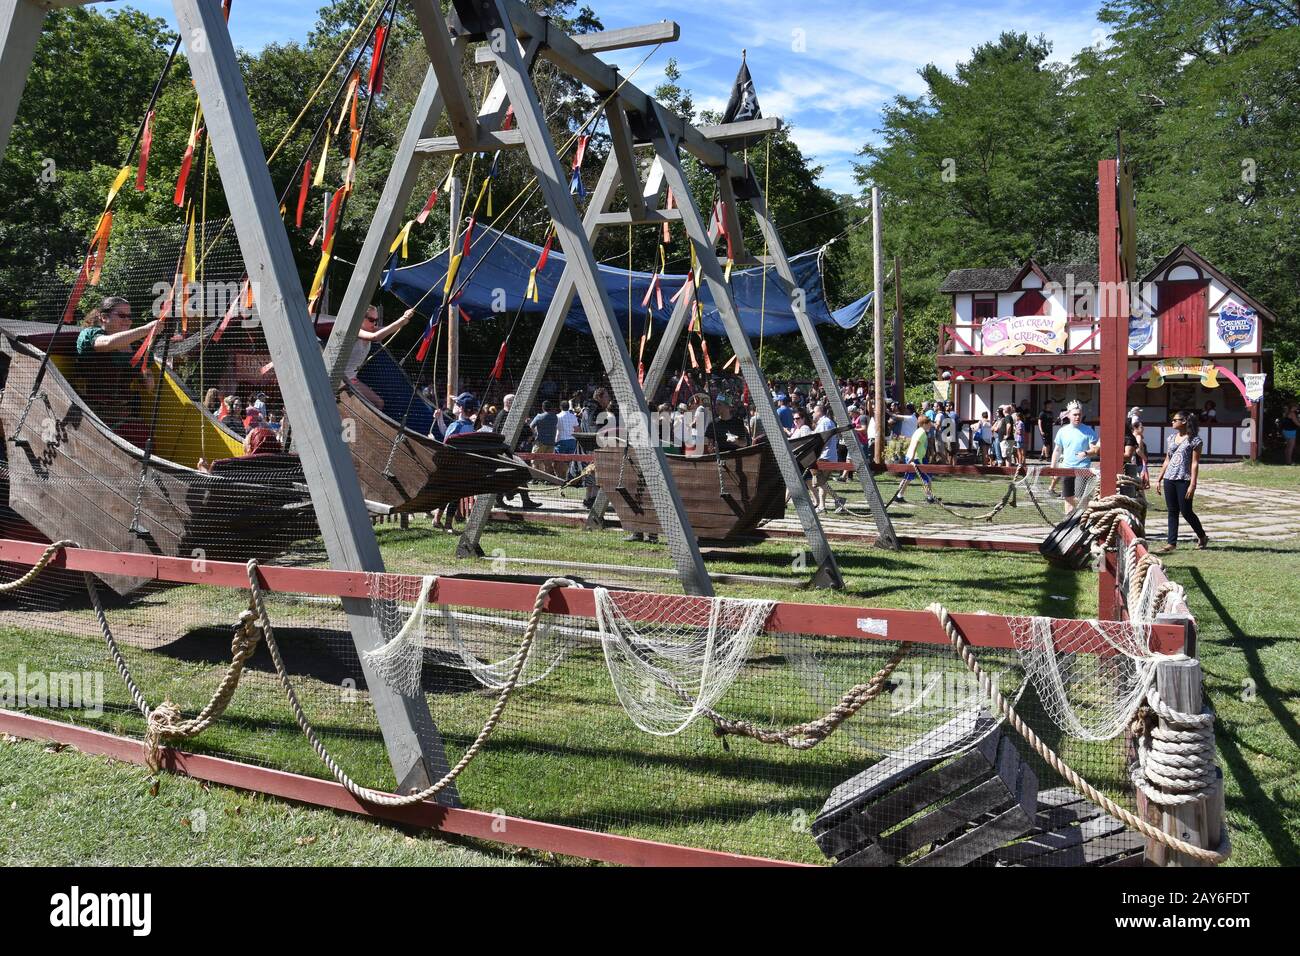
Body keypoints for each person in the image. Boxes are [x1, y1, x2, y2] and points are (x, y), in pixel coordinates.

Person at [73, 296, 159, 443]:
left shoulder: (138, 346)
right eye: (122, 315)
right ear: (104, 317)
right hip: (91, 414)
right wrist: (146, 330)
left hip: (125, 415)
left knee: (143, 440)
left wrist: (145, 372)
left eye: (129, 316)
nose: (128, 320)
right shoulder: (90, 335)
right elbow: (108, 344)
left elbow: (149, 387)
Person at [1154, 411, 1208, 553]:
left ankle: (1202, 536)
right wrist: (1159, 478)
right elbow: (1167, 459)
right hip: (1169, 479)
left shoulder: (1195, 440)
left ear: (1184, 421)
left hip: (1184, 479)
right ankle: (1171, 543)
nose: (1172, 422)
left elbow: (1195, 463)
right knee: (1172, 511)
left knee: (1186, 511)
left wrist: (1193, 484)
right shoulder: (1171, 438)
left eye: (1175, 420)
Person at [343, 305, 414, 409]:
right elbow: (375, 337)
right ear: (361, 317)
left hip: (352, 379)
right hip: (342, 379)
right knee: (369, 407)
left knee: (379, 403)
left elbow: (389, 329)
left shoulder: (371, 329)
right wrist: (401, 321)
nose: (374, 323)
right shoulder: (356, 330)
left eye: (376, 320)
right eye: (371, 320)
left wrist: (404, 320)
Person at [1050, 401, 1100, 508]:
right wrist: (1053, 468)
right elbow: (1057, 450)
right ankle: (1069, 521)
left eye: (1079, 414)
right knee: (1068, 498)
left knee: (1081, 498)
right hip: (1066, 468)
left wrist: (1086, 453)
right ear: (1068, 415)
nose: (1077, 417)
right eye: (1075, 415)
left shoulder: (1088, 430)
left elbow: (1095, 450)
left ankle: (1083, 521)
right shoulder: (1062, 431)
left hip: (1082, 469)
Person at [891, 415, 937, 505]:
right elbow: (915, 444)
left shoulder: (919, 431)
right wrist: (912, 458)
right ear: (924, 424)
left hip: (919, 458)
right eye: (929, 423)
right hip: (915, 458)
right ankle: (929, 497)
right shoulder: (921, 433)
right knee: (926, 477)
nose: (930, 425)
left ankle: (900, 496)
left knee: (909, 478)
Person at [810, 404, 846, 513]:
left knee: (818, 482)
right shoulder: (825, 422)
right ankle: (822, 506)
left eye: (814, 412)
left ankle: (838, 499)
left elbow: (821, 440)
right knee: (822, 482)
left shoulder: (825, 423)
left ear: (820, 412)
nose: (813, 414)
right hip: (826, 455)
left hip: (824, 456)